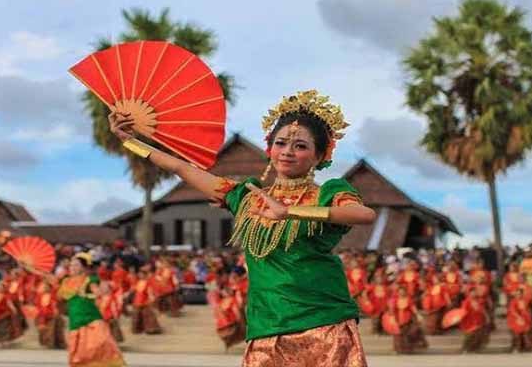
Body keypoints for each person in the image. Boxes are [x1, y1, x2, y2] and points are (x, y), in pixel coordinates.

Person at [109, 89, 376, 366]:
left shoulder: (328, 193)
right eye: (281, 143)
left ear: (320, 155)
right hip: (266, 324)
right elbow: (183, 168)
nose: (287, 152)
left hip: (324, 322)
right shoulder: (247, 197)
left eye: (300, 146)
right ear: (269, 148)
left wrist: (290, 212)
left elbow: (363, 214)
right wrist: (129, 141)